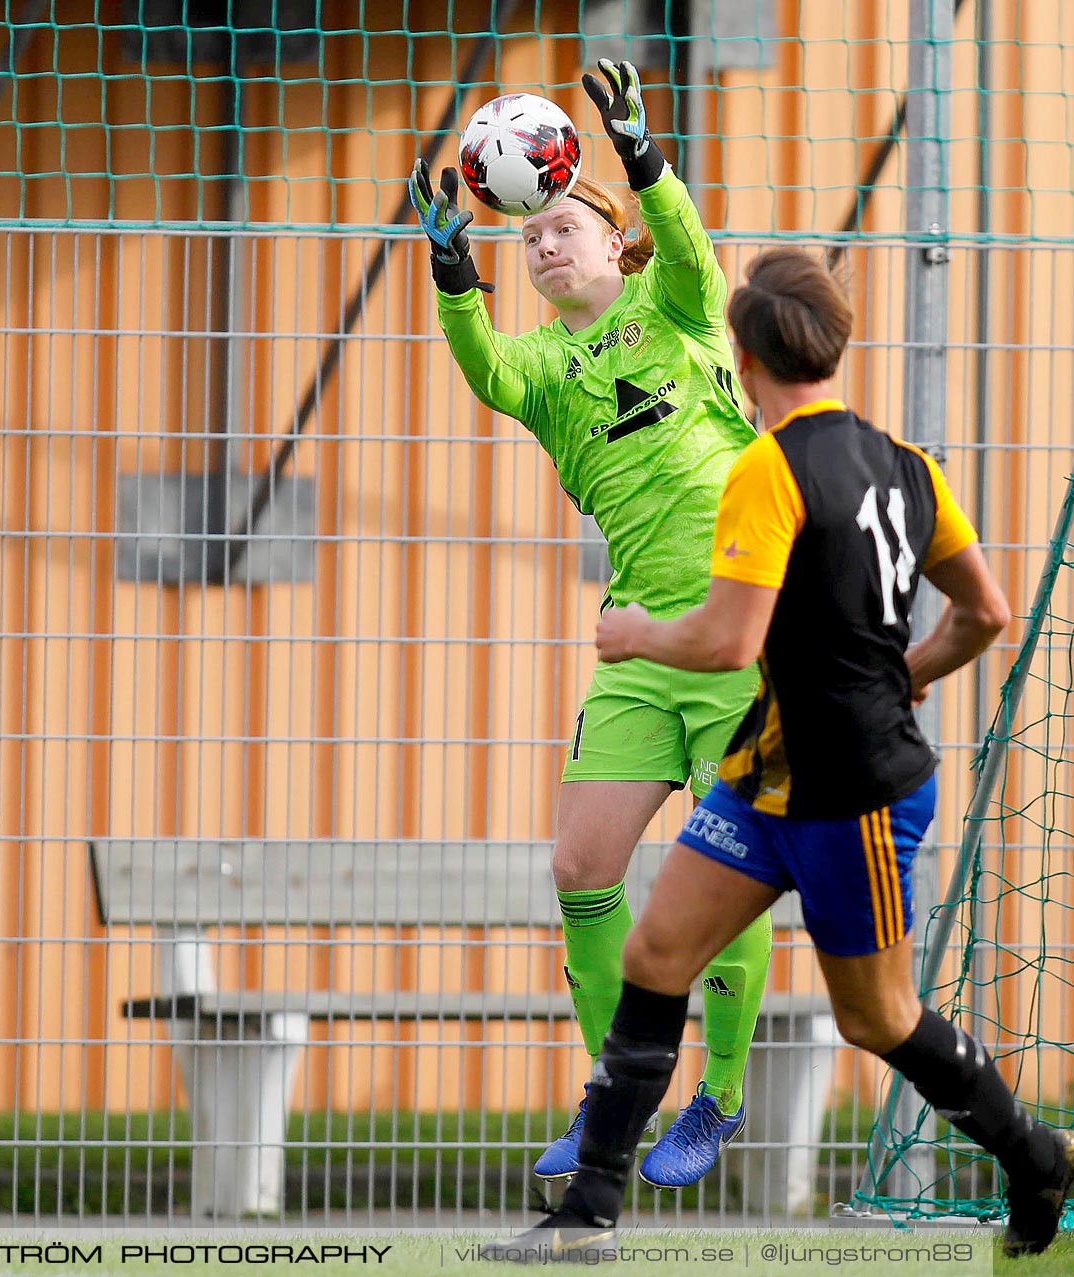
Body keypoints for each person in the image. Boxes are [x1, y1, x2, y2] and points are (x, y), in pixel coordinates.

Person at [483, 247, 1074, 1263]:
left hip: (851, 793)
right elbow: (987, 611)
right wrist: (914, 670)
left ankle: (1031, 1154)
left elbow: (726, 641)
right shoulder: (908, 462)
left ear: (747, 357)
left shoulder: (767, 469)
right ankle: (584, 1214)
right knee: (656, 953)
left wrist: (633, 634)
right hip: (767, 776)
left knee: (878, 1016)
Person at [406, 60, 772, 1195]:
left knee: (722, 872)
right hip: (634, 649)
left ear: (616, 245)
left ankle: (720, 1089)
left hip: (735, 637)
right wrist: (452, 267)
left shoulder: (681, 304)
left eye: (562, 225)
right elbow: (480, 364)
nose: (545, 245)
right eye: (531, 238)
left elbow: (685, 235)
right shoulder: (545, 370)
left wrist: (637, 148)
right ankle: (621, 1085)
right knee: (580, 866)